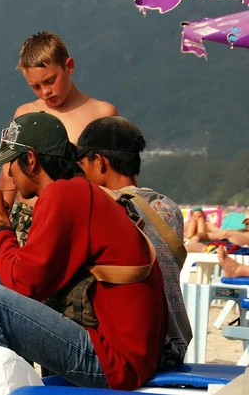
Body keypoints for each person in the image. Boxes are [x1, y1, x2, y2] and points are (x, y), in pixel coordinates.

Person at [0, 112, 168, 392]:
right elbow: (31, 277)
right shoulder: (79, 192)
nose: (8, 174)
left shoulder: (63, 196)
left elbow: (24, 282)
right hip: (130, 355)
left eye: (11, 163)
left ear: (30, 160)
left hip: (116, 362)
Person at [0, 31, 118, 278]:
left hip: (76, 224)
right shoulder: (25, 113)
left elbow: (112, 180)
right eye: (35, 86)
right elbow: (8, 176)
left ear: (69, 66)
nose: (45, 91)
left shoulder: (101, 114)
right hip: (27, 222)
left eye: (50, 81)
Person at [76, 116, 192, 367]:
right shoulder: (170, 208)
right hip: (175, 344)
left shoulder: (100, 206)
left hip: (136, 349)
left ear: (99, 162)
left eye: (82, 163)